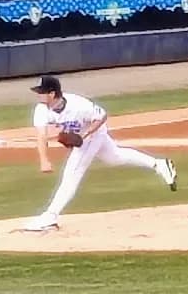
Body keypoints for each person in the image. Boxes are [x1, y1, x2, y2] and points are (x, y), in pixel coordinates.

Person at [24, 75, 177, 231]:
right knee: (114, 157)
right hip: (84, 135)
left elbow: (101, 116)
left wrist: (83, 136)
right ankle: (159, 164)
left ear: (52, 93)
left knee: (72, 173)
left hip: (93, 133)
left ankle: (51, 216)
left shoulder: (78, 104)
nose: (38, 95)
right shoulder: (41, 109)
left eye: (41, 92)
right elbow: (41, 135)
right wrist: (44, 160)